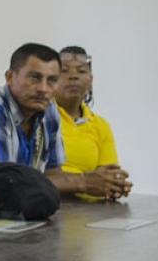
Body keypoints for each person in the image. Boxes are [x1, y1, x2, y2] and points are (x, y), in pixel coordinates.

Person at [0, 43, 129, 200]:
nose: (43, 89)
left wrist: (109, 183)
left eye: (52, 80)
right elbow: (0, 181)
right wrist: (83, 182)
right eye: (34, 78)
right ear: (10, 77)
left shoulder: (48, 108)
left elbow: (53, 175)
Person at [54, 46, 132, 201]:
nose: (73, 76)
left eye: (81, 71)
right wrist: (85, 182)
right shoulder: (40, 117)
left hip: (92, 211)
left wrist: (114, 185)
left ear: (90, 80)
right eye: (65, 71)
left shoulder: (100, 125)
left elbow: (107, 176)